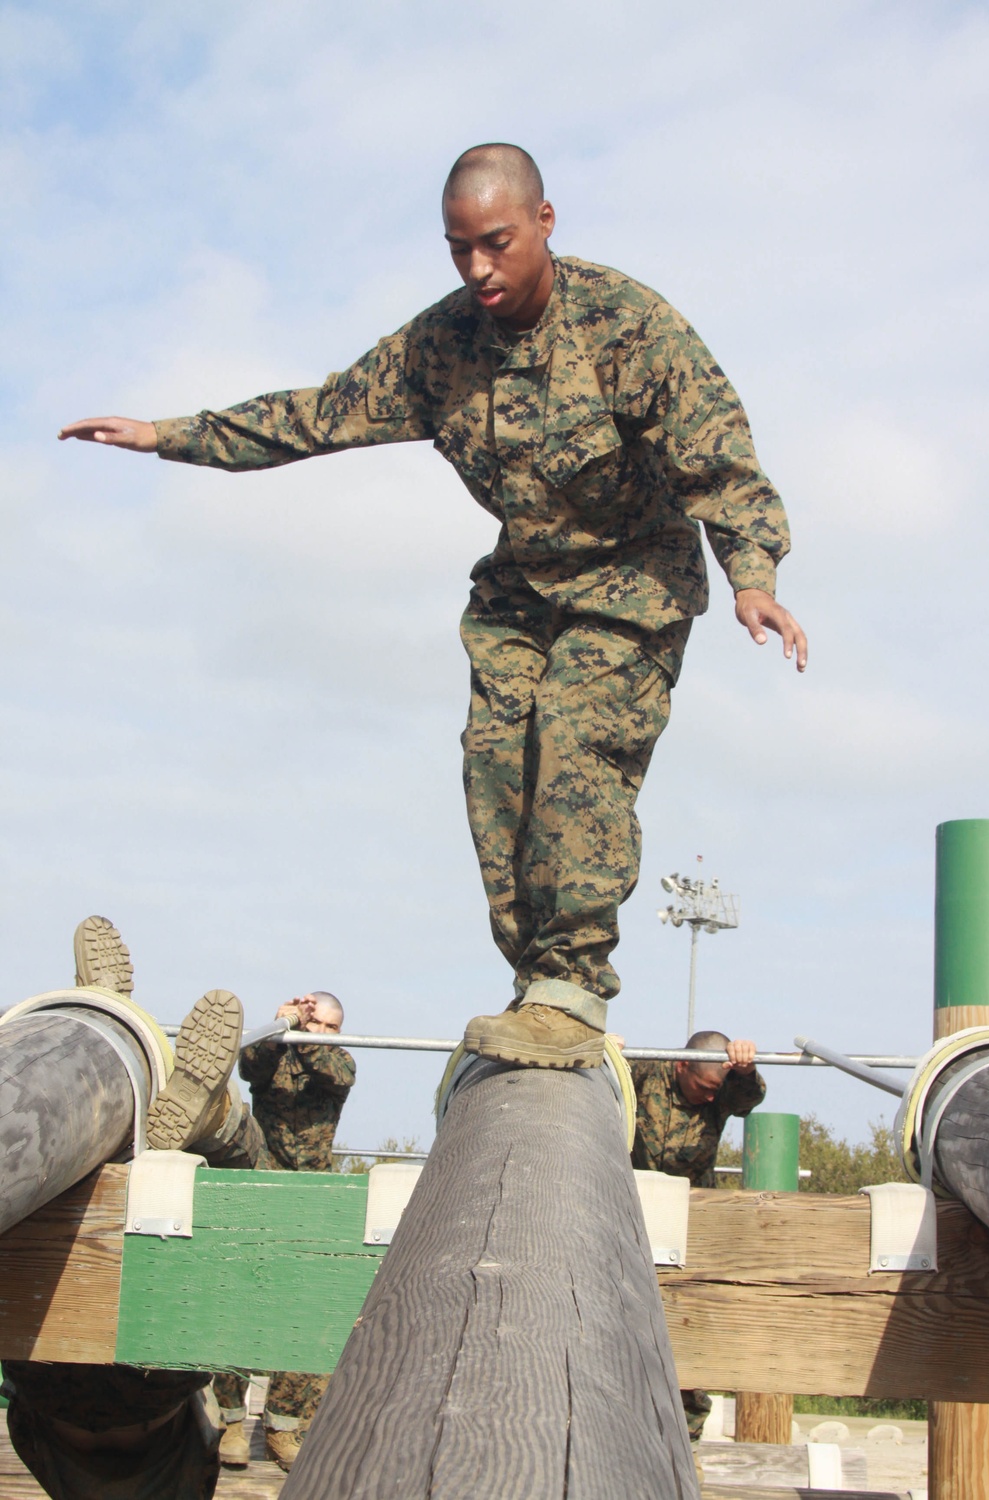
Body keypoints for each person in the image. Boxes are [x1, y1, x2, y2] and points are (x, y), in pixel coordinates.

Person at [58, 143, 808, 1073]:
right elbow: (319, 413)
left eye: (496, 243)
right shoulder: (440, 346)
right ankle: (538, 981)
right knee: (496, 774)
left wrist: (752, 575)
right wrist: (169, 436)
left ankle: (574, 985)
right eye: (459, 250)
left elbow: (720, 457)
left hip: (630, 584)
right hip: (522, 588)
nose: (480, 270)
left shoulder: (627, 327)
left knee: (574, 751)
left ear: (544, 221)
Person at [2, 918, 267, 1500]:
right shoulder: (51, 1465)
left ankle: (211, 1119)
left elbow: (203, 1448)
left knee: (247, 1197)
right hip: (51, 1385)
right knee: (57, 1204)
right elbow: (22, 1425)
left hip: (152, 1389)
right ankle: (121, 1063)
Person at [213, 992, 355, 1471]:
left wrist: (309, 1031)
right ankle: (232, 1422)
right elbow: (248, 1063)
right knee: (240, 1303)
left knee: (307, 1312)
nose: (316, 1030)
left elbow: (330, 1070)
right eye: (314, 1022)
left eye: (326, 1025)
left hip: (315, 1198)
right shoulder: (277, 1057)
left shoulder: (341, 1061)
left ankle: (282, 1426)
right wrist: (280, 1026)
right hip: (263, 1187)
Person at [630, 1029, 766, 1451]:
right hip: (633, 1214)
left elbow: (749, 1098)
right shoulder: (645, 1071)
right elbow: (601, 1074)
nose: (710, 1098)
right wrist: (603, 1047)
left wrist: (746, 1070)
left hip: (690, 1224)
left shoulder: (721, 1095)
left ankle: (686, 1440)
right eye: (703, 1088)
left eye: (716, 1089)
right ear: (681, 1064)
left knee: (686, 1332)